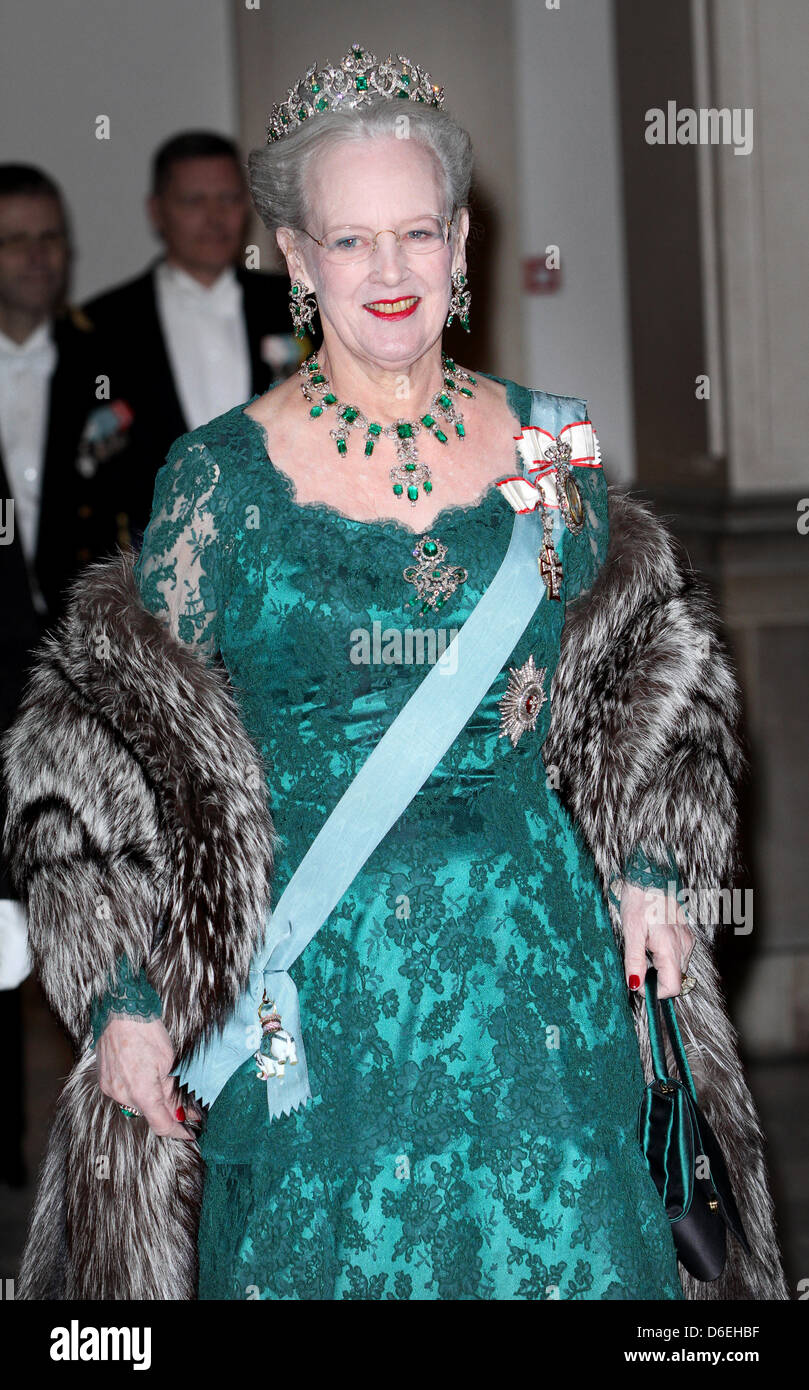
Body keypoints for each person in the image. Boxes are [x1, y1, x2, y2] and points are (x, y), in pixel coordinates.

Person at [1, 46, 788, 1300]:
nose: (386, 272)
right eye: (348, 241)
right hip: (313, 1009)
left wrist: (651, 868)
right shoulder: (220, 482)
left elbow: (649, 667)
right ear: (296, 259)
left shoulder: (552, 442)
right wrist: (125, 991)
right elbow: (108, 744)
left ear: (460, 242)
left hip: (541, 988)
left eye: (414, 233)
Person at [0, 163, 129, 1188]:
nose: (38, 258)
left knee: (90, 909)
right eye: (15, 240)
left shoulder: (105, 363)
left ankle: (108, 1136)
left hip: (81, 693)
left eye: (50, 238)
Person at [83, 130, 311, 548]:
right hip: (153, 569)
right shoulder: (104, 324)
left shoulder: (299, 302)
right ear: (157, 212)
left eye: (228, 199)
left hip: (284, 554)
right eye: (193, 201)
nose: (214, 217)